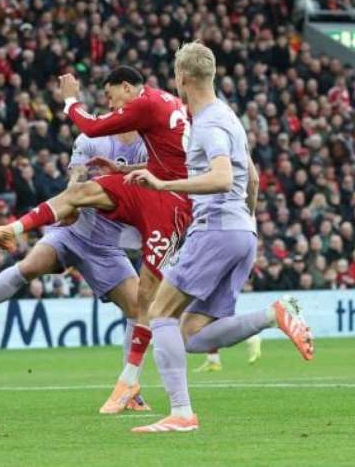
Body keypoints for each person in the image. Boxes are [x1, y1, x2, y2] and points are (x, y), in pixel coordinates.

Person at [126, 42, 314, 434]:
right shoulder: (229, 116)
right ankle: (273, 314)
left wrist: (162, 184)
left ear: (182, 78)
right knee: (191, 334)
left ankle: (180, 413)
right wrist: (247, 222)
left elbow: (223, 177)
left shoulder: (209, 124)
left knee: (159, 313)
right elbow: (254, 178)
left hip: (215, 229)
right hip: (240, 232)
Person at [0, 65, 193, 412]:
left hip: (171, 203)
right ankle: (14, 229)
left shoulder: (146, 102)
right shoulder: (165, 102)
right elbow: (169, 159)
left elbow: (92, 125)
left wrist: (70, 101)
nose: (112, 105)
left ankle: (130, 379)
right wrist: (123, 170)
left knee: (146, 294)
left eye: (112, 96)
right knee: (80, 191)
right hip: (148, 183)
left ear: (127, 87)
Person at [0, 130, 152, 412]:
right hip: (71, 232)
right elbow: (77, 178)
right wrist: (72, 198)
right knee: (29, 266)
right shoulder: (93, 137)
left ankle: (129, 388)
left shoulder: (152, 141)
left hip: (107, 247)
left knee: (138, 309)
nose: (115, 106)